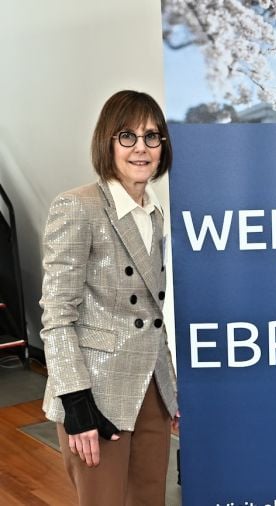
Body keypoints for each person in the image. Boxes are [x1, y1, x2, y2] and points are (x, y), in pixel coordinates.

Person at [40, 90, 179, 506]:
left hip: (150, 392)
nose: (141, 148)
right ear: (107, 142)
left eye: (152, 136)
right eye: (127, 136)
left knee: (150, 499)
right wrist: (76, 403)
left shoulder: (155, 214)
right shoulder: (78, 207)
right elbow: (57, 315)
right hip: (96, 394)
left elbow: (155, 313)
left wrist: (170, 392)